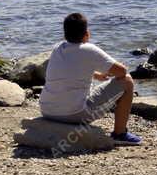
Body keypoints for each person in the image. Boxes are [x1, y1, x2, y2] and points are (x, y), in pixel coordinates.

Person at [39, 12, 141, 145]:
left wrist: (96, 75)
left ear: (64, 35)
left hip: (47, 110)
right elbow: (122, 72)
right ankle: (120, 133)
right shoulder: (89, 50)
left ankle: (120, 133)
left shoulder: (57, 48)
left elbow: (71, 69)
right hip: (74, 114)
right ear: (87, 34)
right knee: (127, 81)